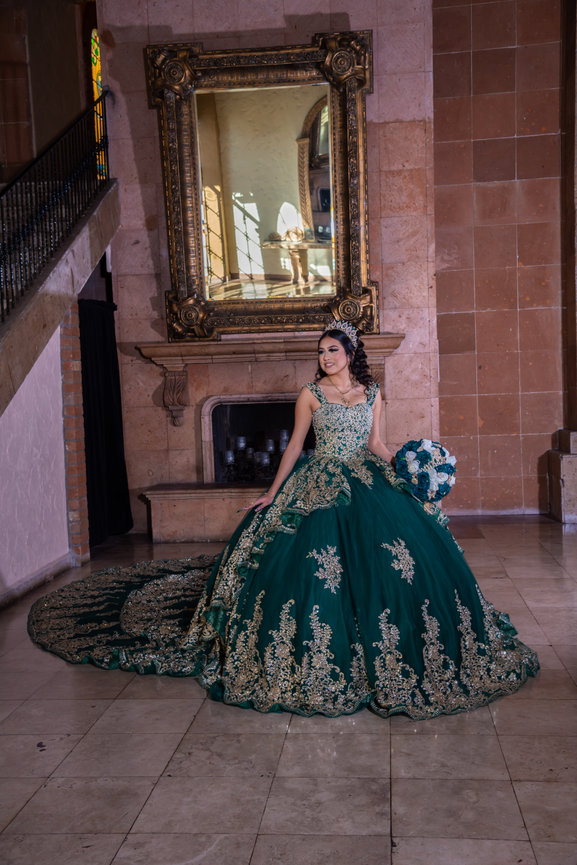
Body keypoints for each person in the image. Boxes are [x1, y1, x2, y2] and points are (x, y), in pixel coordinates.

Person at [29, 320, 539, 720]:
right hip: (318, 480)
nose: (324, 358)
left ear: (350, 354)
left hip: (365, 478)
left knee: (399, 560)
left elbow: (377, 443)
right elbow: (296, 446)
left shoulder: (373, 393)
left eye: (331, 351)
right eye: (320, 351)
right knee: (310, 567)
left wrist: (408, 469)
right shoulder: (310, 395)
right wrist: (271, 496)